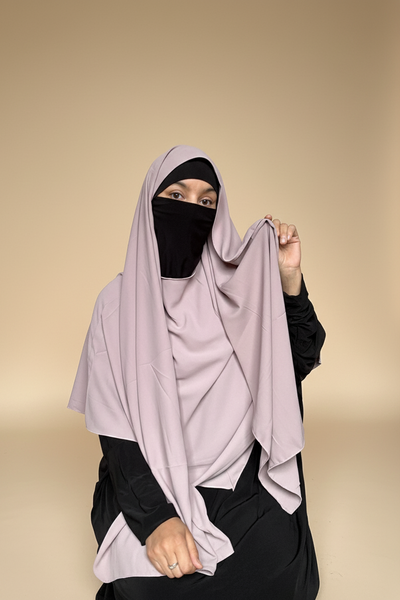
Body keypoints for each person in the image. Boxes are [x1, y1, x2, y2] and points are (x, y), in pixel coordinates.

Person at [68, 145, 326, 600]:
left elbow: (296, 363)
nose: (192, 210)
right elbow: (117, 436)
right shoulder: (115, 306)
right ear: (150, 205)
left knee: (282, 572)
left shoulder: (237, 292)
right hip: (148, 480)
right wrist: (157, 519)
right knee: (150, 586)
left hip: (234, 475)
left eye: (207, 201)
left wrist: (288, 279)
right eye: (176, 195)